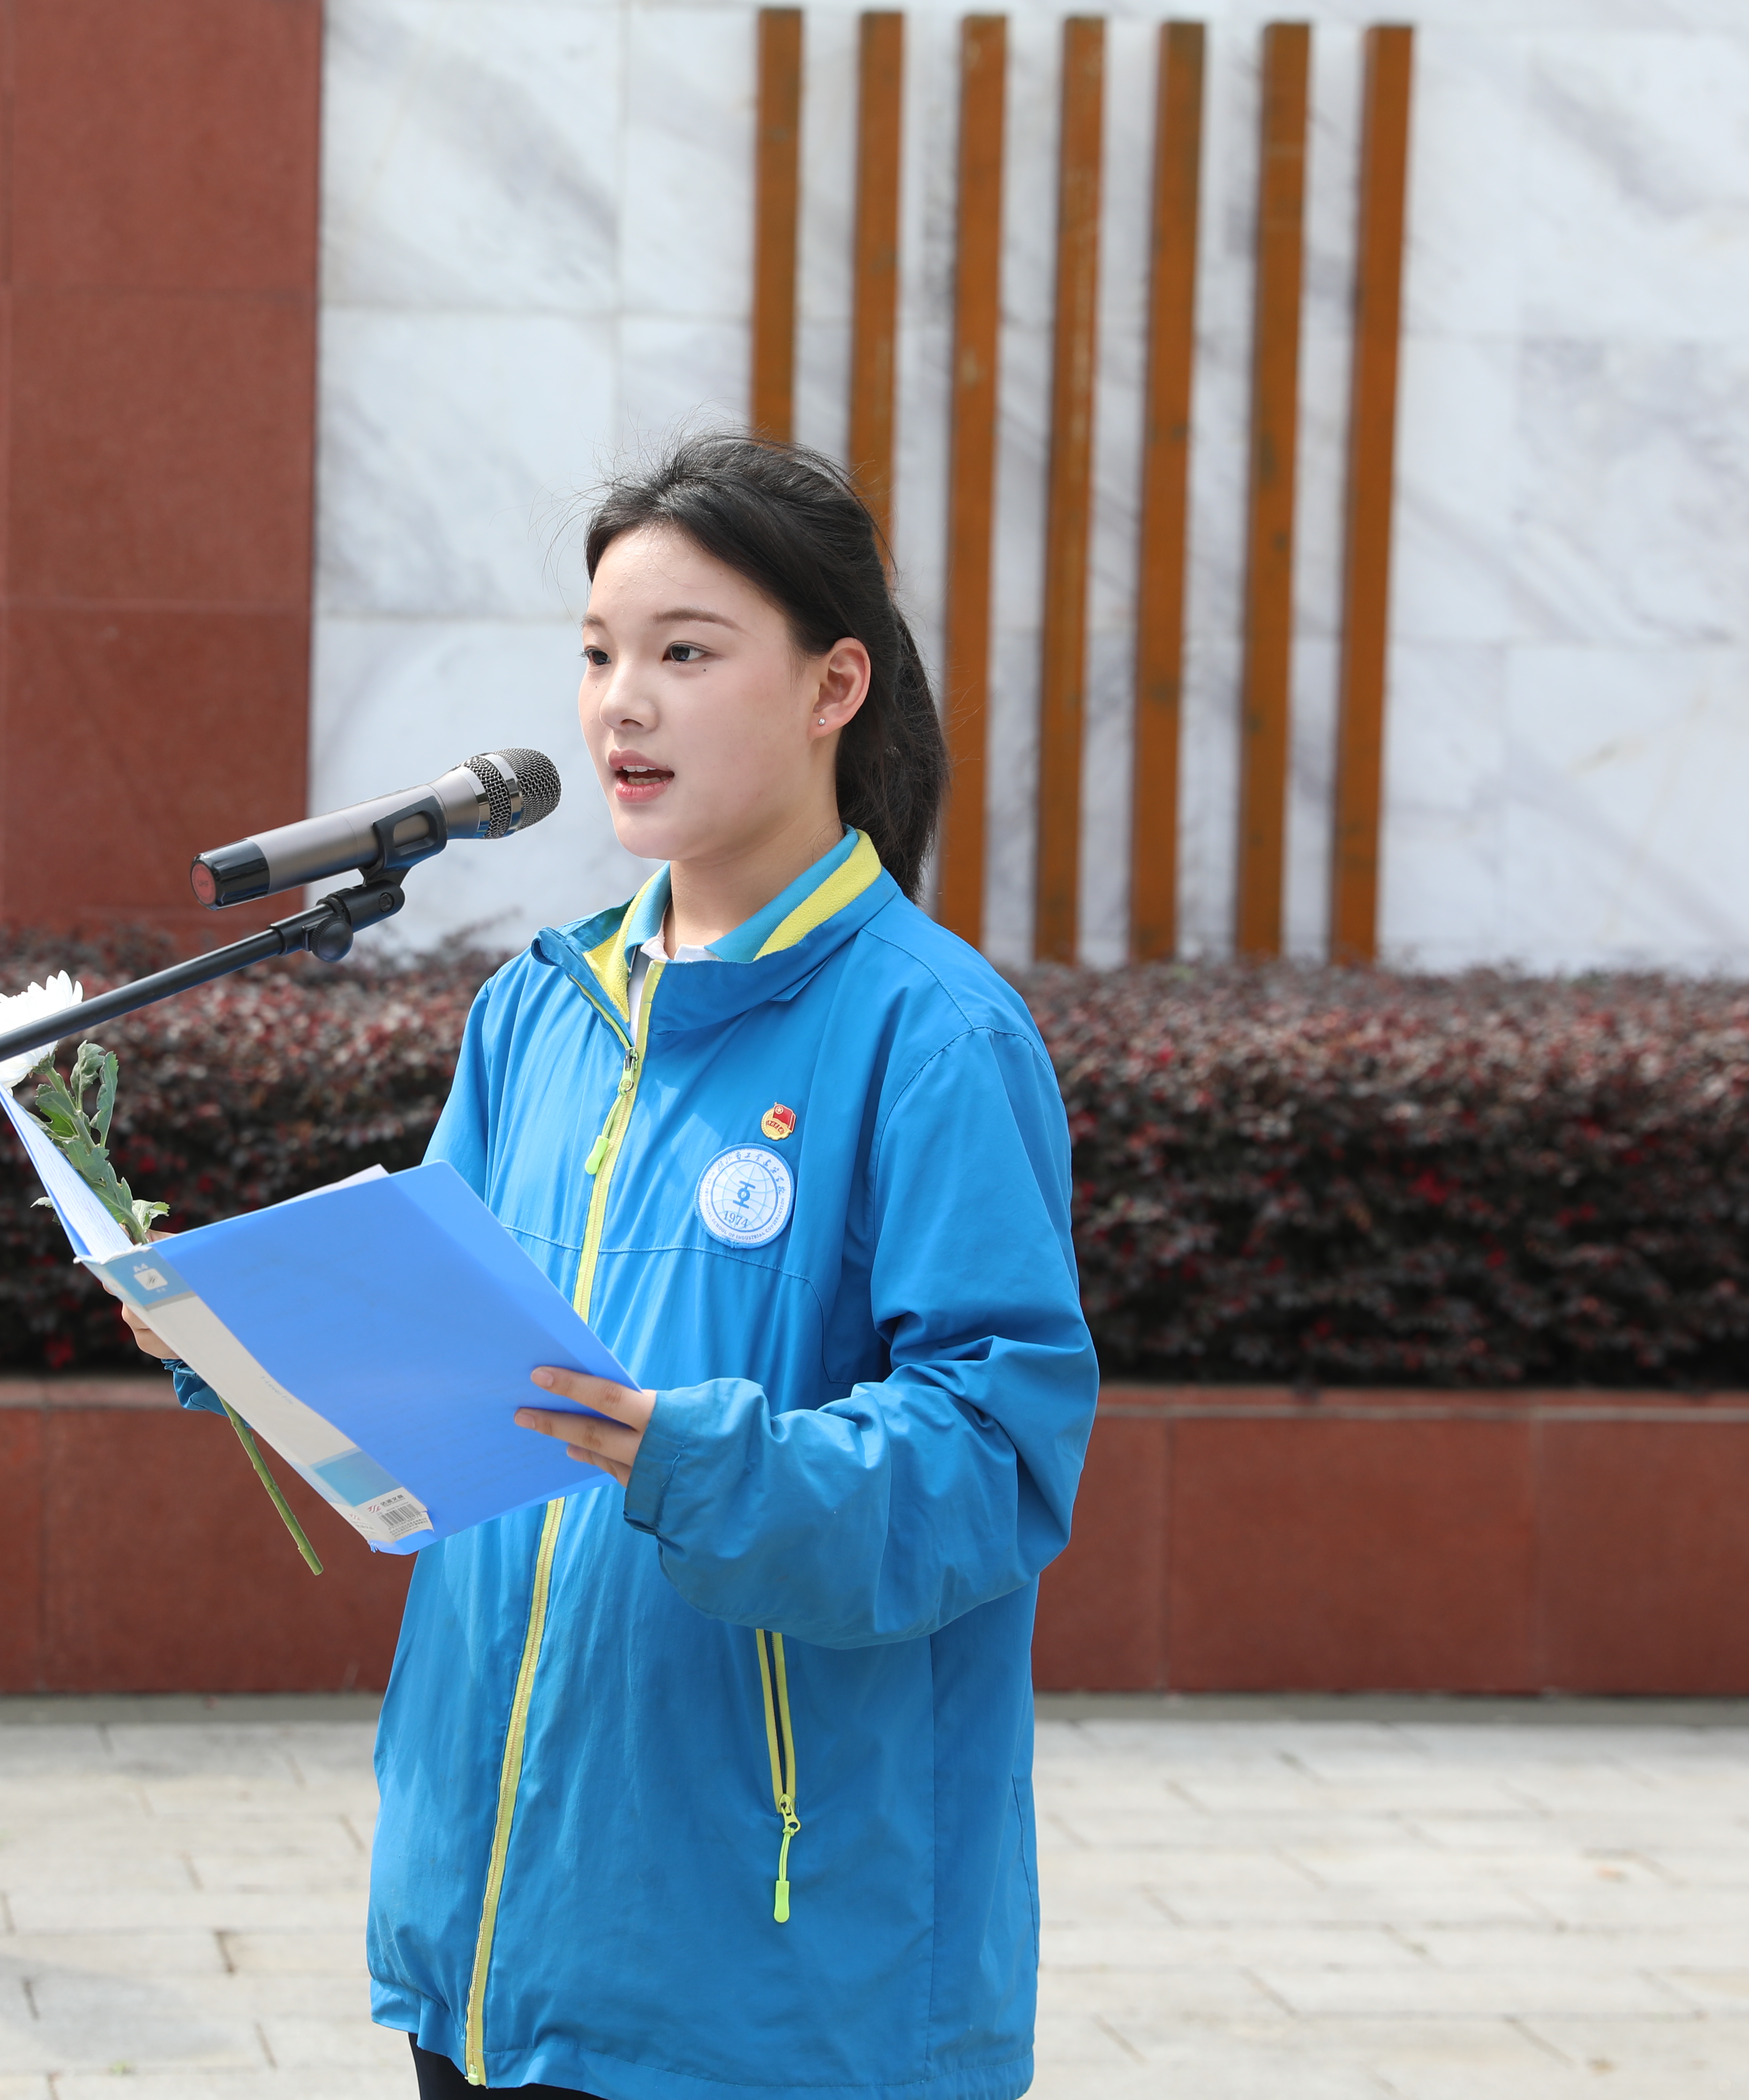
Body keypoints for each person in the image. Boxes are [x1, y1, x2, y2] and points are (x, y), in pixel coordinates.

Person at [123, 435, 1096, 2100]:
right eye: (596, 655)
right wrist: (260, 1343)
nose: (620, 704)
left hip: (773, 1971)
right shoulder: (538, 1013)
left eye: (684, 653)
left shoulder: (929, 1036)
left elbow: (996, 1463)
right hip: (493, 1935)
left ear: (831, 685)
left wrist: (701, 1458)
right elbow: (443, 1361)